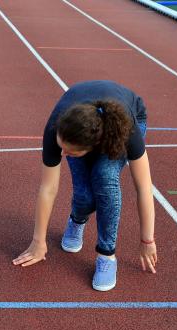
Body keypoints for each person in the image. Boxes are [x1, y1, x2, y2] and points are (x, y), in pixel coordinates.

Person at [12, 80, 158, 291]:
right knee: (84, 196)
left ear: (92, 146)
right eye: (62, 148)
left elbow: (143, 187)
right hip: (80, 127)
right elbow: (48, 189)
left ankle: (106, 256)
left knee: (104, 176)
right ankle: (77, 219)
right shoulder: (58, 129)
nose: (62, 154)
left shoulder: (127, 132)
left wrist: (147, 241)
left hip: (124, 121)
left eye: (69, 152)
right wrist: (38, 242)